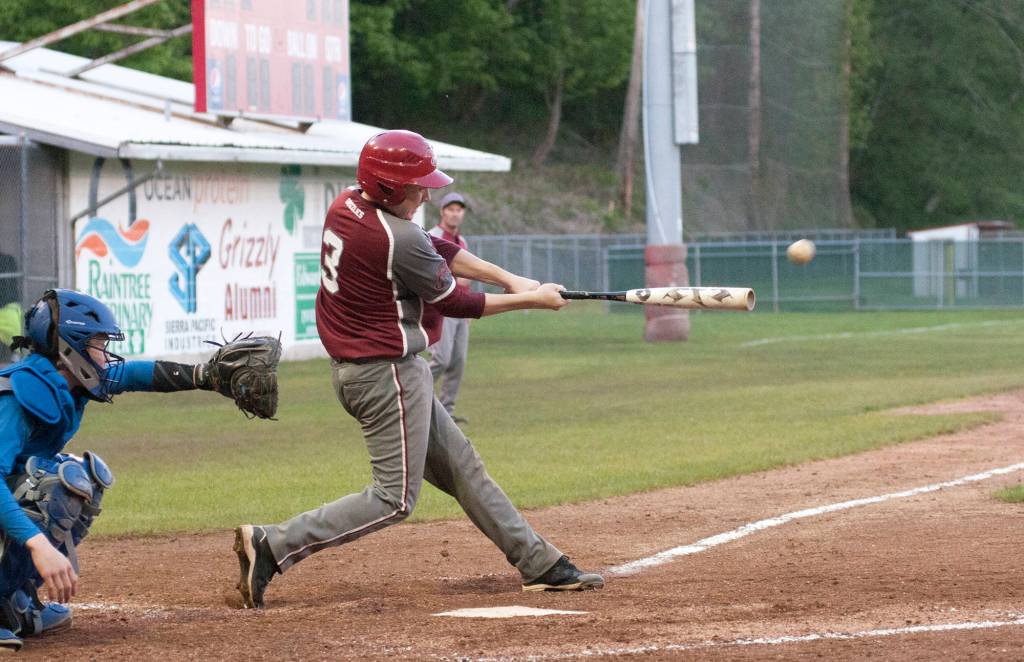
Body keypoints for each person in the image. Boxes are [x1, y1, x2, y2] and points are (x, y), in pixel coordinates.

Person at [233, 129, 603, 609]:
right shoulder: (395, 238)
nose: (426, 193)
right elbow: (456, 302)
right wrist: (530, 298)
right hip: (387, 377)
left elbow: (435, 247)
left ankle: (539, 562)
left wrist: (509, 277)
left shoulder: (348, 204)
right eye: (416, 185)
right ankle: (272, 545)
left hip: (363, 371)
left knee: (462, 467)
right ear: (387, 188)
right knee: (393, 499)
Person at [0, 289, 269, 652]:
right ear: (69, 349)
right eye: (97, 344)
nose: (105, 354)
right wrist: (37, 545)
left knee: (82, 480)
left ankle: (11, 598)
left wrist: (205, 375)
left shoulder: (64, 382)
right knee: (53, 489)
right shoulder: (18, 396)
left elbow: (133, 374)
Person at [427, 192, 472, 423]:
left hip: (460, 310)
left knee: (457, 362)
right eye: (451, 209)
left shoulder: (461, 241)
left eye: (459, 210)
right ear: (442, 211)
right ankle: (411, 395)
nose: (455, 213)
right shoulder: (432, 237)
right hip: (442, 309)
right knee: (441, 359)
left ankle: (447, 413)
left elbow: (467, 278)